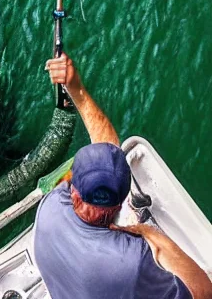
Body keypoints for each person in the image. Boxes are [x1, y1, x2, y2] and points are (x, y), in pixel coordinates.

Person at [34, 53, 212, 299]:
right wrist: (154, 238)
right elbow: (203, 291)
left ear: (72, 189)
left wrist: (76, 89)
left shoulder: (49, 208)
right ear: (119, 204)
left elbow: (108, 149)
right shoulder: (132, 262)